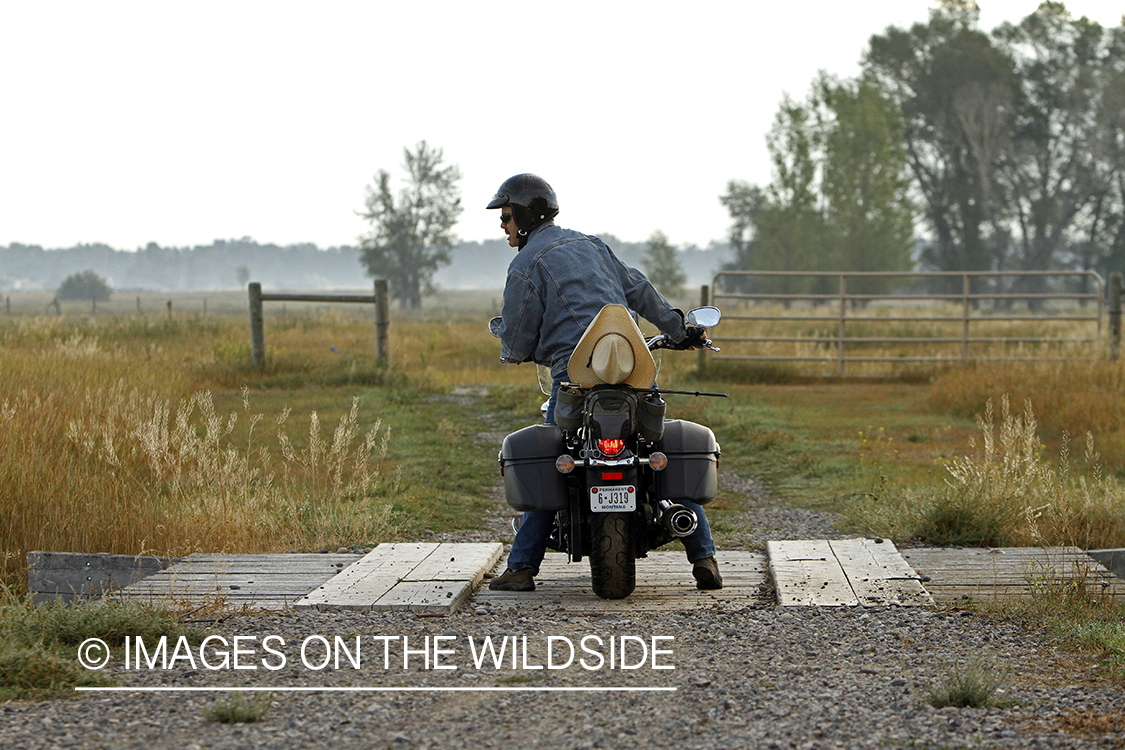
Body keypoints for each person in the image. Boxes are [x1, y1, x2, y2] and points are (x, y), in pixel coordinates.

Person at [486, 173, 722, 592]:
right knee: (655, 447)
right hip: (634, 372)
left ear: (523, 216)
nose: (502, 225)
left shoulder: (525, 265)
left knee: (557, 453)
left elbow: (519, 335)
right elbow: (640, 290)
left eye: (505, 217)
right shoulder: (592, 245)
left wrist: (515, 352)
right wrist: (682, 330)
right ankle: (704, 556)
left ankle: (522, 568)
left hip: (574, 381)